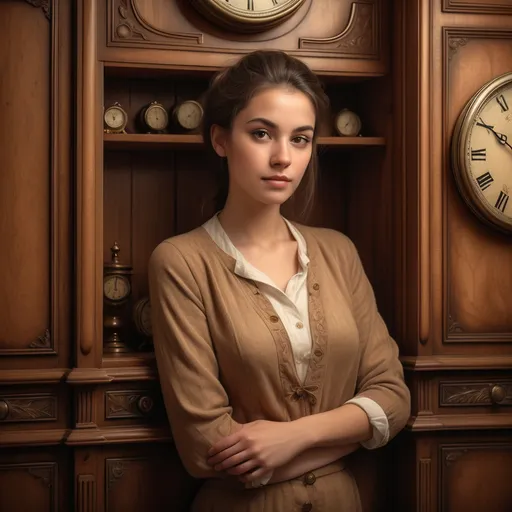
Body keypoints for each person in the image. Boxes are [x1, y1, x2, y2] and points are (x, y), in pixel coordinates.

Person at [148, 50, 411, 512]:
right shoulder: (180, 262)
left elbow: (393, 397)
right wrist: (354, 432)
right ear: (221, 139)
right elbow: (205, 448)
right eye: (262, 133)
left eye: (301, 139)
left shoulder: (338, 251)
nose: (283, 157)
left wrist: (293, 437)